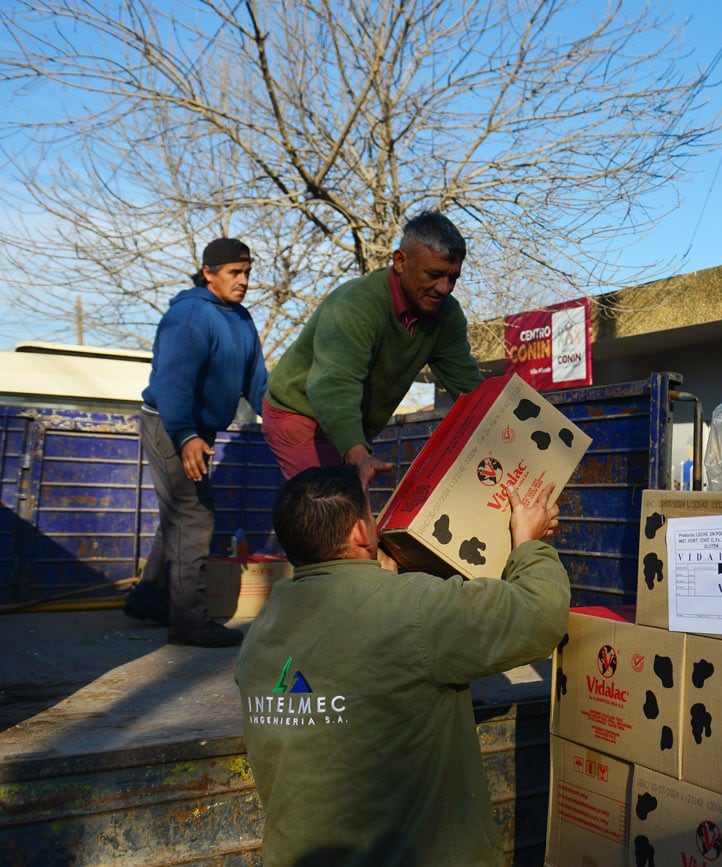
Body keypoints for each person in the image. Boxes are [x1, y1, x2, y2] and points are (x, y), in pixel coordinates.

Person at [234, 465, 568, 866]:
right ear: (361, 532)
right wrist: (527, 545)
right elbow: (540, 613)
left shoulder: (262, 631)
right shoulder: (413, 609)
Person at [261, 210, 483, 488]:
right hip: (299, 412)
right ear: (400, 261)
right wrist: (356, 452)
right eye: (434, 274)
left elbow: (469, 387)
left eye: (453, 278)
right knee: (328, 512)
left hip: (350, 421)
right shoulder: (355, 305)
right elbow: (334, 385)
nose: (444, 288)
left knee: (346, 515)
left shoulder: (447, 315)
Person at [123, 237, 269, 648]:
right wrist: (186, 435)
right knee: (194, 515)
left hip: (196, 430)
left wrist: (282, 420)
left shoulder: (241, 319)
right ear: (208, 273)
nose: (243, 281)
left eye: (247, 273)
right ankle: (188, 622)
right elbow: (173, 384)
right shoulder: (189, 316)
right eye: (233, 273)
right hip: (170, 424)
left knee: (180, 513)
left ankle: (150, 598)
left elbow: (257, 385)